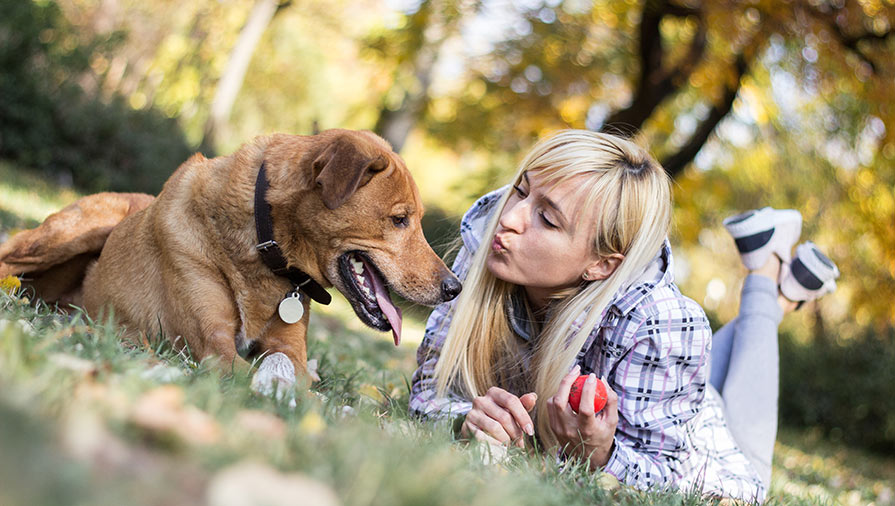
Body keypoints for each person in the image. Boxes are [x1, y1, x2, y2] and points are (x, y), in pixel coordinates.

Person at [408, 130, 840, 501]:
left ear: (602, 265)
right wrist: (466, 420)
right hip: (665, 386)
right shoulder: (489, 240)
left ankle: (765, 276)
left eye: (547, 218)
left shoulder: (662, 324)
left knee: (750, 479)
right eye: (521, 190)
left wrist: (604, 455)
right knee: (704, 382)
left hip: (697, 448)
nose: (512, 217)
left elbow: (666, 476)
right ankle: (789, 291)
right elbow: (430, 390)